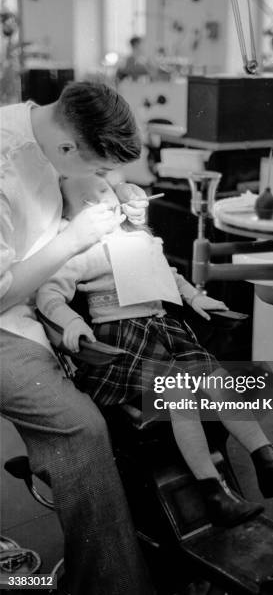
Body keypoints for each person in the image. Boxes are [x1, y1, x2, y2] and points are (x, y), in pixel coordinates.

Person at [36, 174, 273, 528]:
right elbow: (49, 294)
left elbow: (169, 275)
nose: (107, 201)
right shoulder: (84, 253)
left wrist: (194, 296)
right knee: (179, 393)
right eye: (91, 201)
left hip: (165, 329)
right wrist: (72, 324)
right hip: (123, 339)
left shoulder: (140, 239)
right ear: (72, 220)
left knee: (219, 380)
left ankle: (268, 460)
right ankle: (214, 492)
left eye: (107, 192)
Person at [0, 81, 154, 595]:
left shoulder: (53, 135)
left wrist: (119, 198)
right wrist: (74, 238)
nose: (103, 178)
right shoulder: (3, 161)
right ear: (68, 149)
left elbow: (62, 208)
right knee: (83, 428)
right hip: (3, 317)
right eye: (97, 167)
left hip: (39, 297)